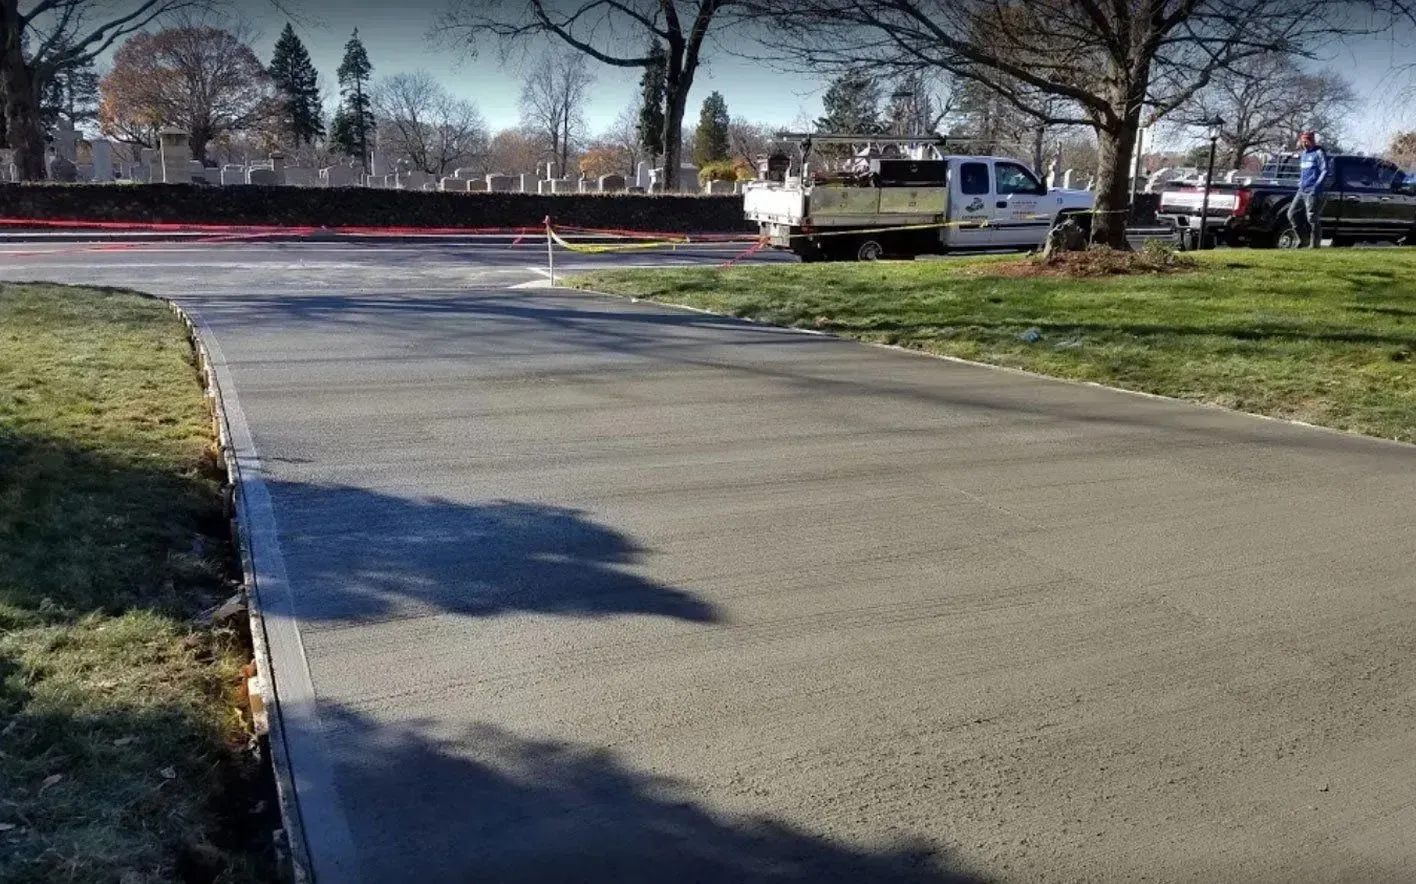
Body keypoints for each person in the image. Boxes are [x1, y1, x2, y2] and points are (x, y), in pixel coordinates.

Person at [1287, 130, 1330, 247]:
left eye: (1307, 141)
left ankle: (1315, 244)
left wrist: (1317, 186)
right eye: (1303, 141)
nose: (1305, 144)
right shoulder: (1304, 155)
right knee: (1291, 213)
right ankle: (1303, 239)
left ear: (1312, 141)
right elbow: (1304, 171)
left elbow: (1325, 170)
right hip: (1302, 189)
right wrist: (1300, 181)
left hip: (1313, 190)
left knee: (1312, 217)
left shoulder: (1319, 153)